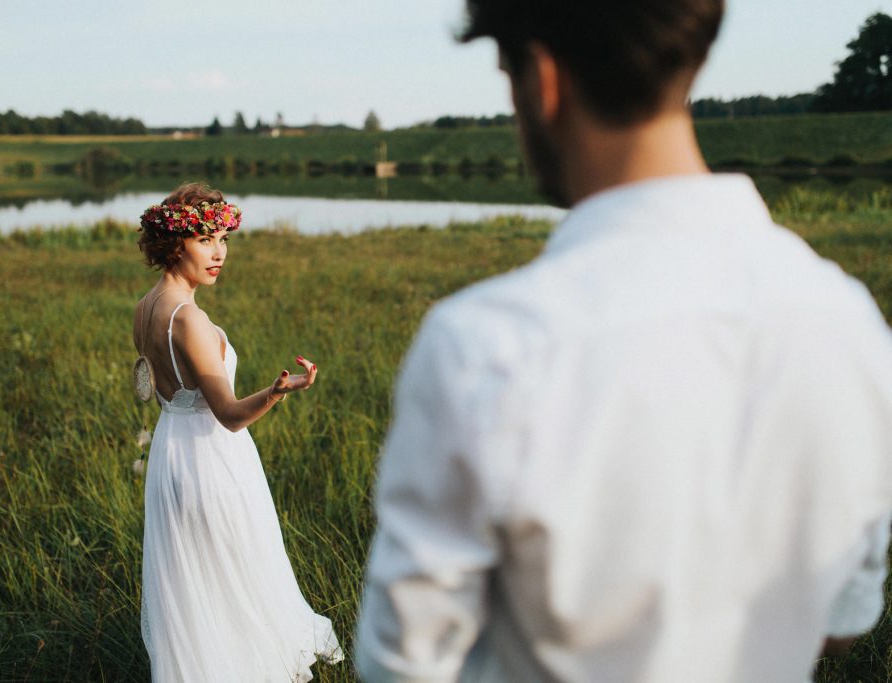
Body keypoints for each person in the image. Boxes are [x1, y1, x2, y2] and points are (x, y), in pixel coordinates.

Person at [355, 1, 892, 681]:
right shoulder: (849, 322)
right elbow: (841, 622)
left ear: (543, 81)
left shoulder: (484, 349)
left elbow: (406, 663)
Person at [133, 183, 342, 681]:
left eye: (224, 238)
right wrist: (278, 390)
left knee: (197, 579)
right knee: (240, 569)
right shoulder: (189, 319)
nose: (219, 253)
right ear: (175, 243)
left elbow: (156, 385)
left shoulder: (145, 307)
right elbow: (227, 414)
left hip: (171, 452)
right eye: (206, 240)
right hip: (211, 459)